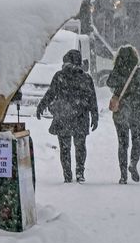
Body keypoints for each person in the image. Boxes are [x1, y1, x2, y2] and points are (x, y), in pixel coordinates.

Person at [36, 49, 98, 183]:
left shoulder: (60, 76)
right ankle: (80, 172)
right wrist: (95, 115)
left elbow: (51, 93)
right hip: (81, 117)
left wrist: (41, 106)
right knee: (80, 146)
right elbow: (92, 99)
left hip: (63, 117)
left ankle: (67, 175)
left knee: (64, 148)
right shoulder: (86, 78)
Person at [107, 45, 140, 185]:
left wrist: (118, 73)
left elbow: (109, 82)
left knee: (122, 144)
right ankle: (133, 162)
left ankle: (123, 174)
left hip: (121, 112)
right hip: (138, 111)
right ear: (135, 57)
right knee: (138, 140)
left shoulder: (117, 71)